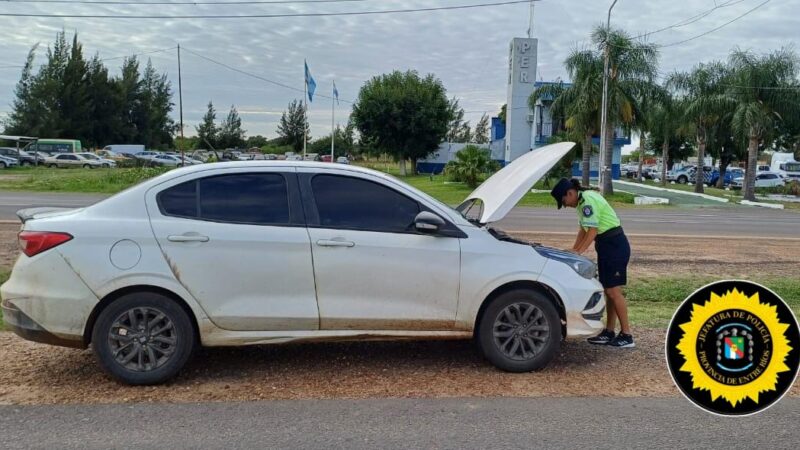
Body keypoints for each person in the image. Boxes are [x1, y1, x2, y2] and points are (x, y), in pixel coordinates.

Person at [550, 178, 634, 348]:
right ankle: (609, 332)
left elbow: (593, 231)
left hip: (614, 245)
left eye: (564, 201)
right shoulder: (581, 204)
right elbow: (583, 229)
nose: (565, 205)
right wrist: (574, 250)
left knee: (613, 291)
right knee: (608, 290)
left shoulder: (587, 200)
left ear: (570, 193)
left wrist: (579, 252)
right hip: (605, 246)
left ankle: (627, 335)